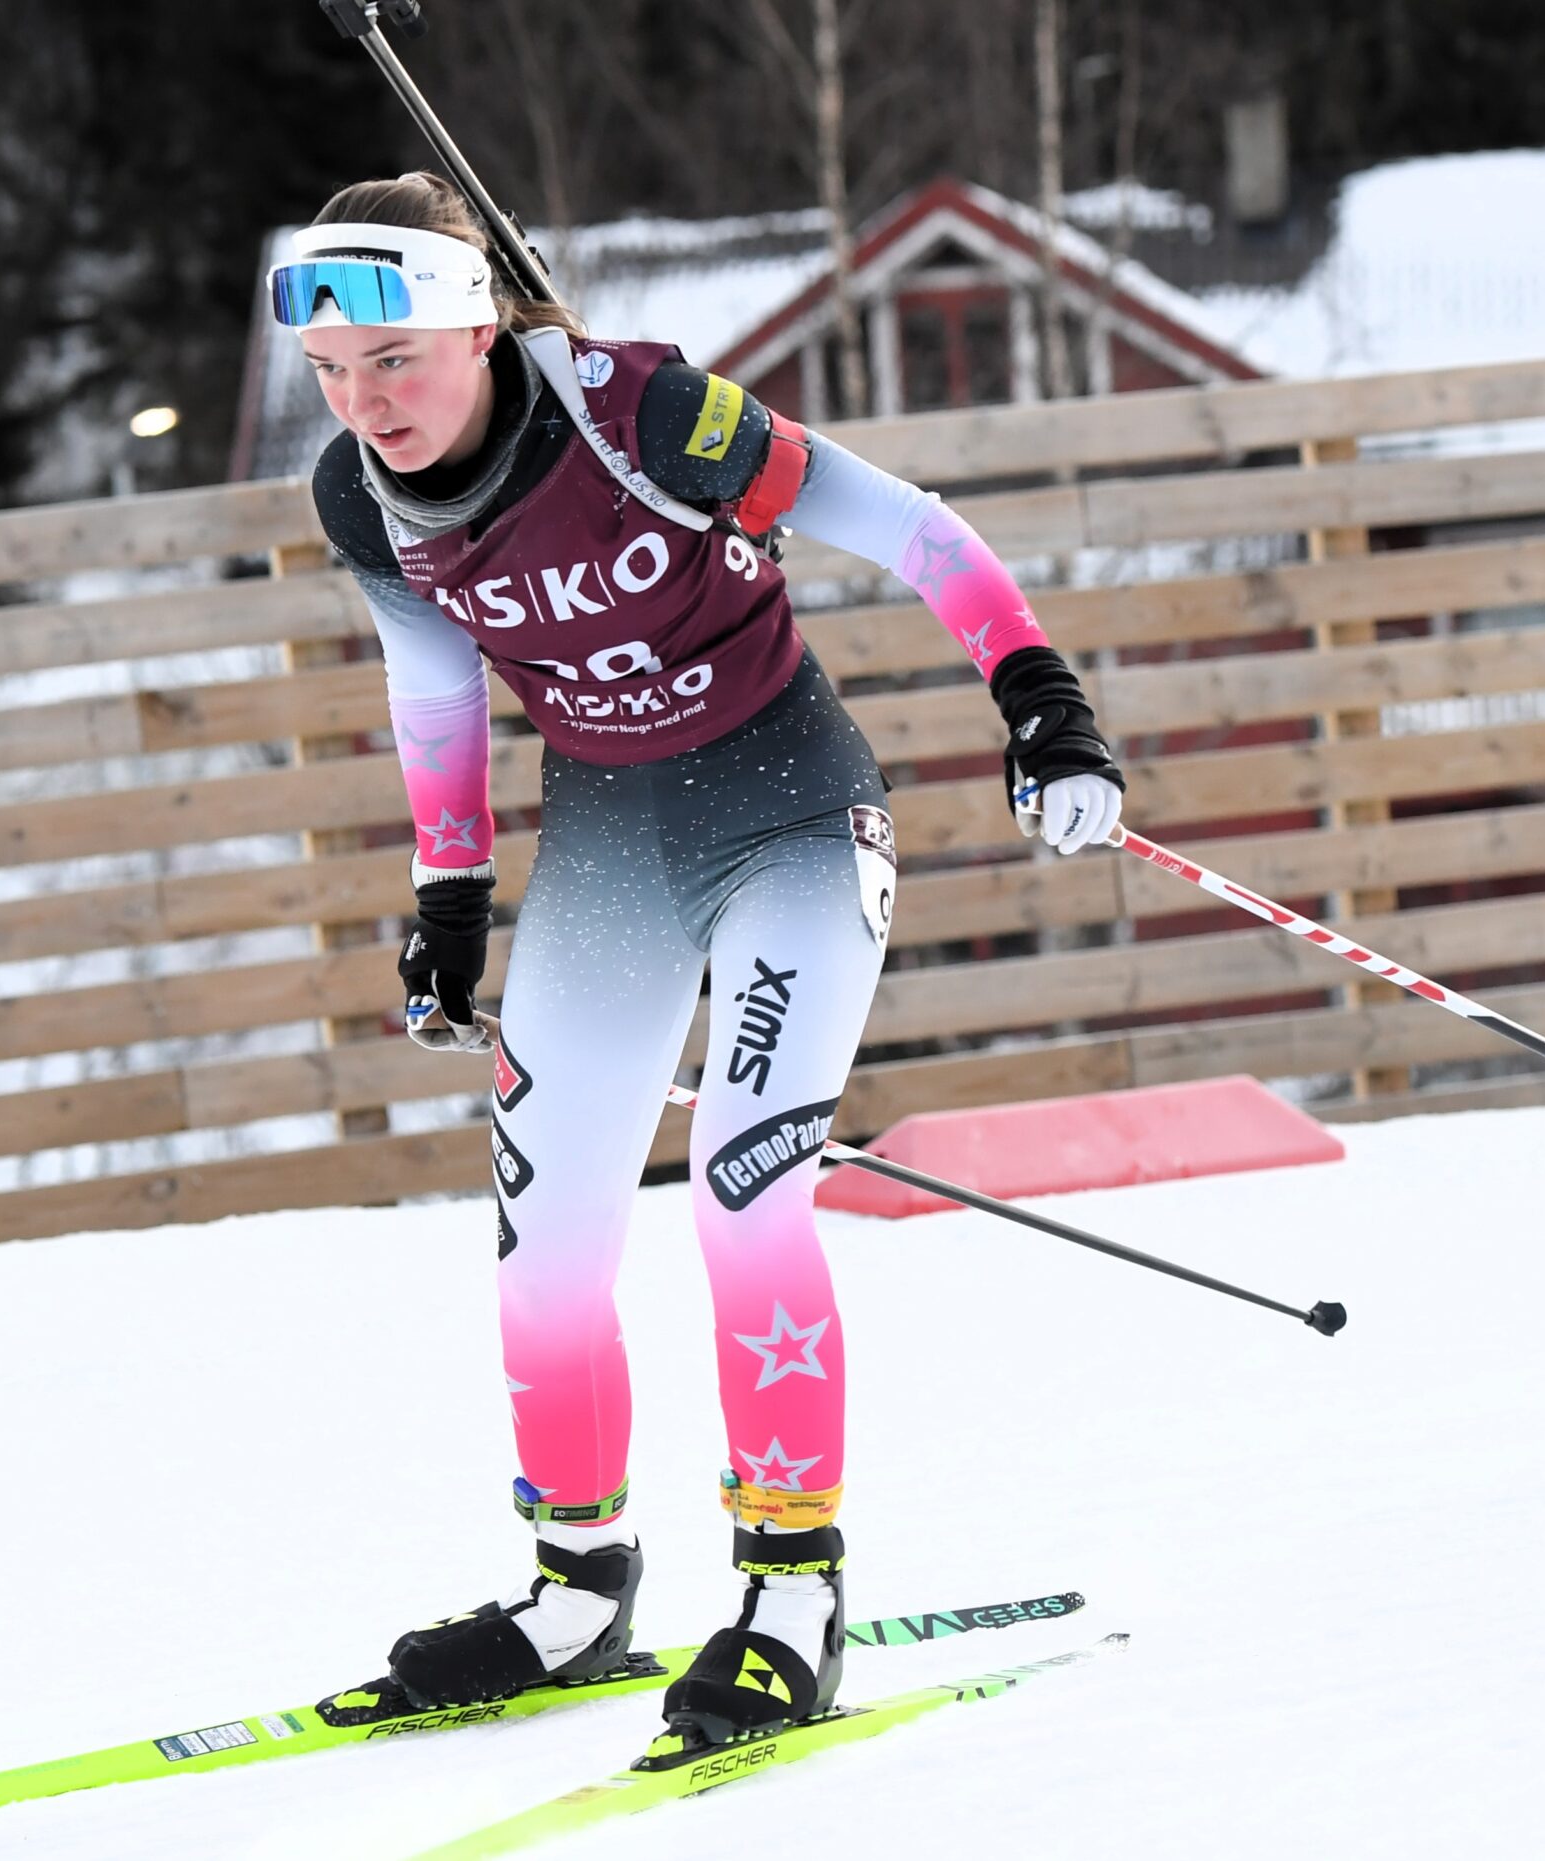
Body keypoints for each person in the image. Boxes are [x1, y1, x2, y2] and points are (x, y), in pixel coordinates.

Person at [275, 172, 1124, 1756]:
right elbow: (435, 689)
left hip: (789, 817)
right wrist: (450, 895)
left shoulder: (646, 416)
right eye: (331, 372)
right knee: (544, 1243)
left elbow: (909, 525)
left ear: (479, 324)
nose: (366, 403)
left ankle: (793, 1588)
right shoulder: (360, 498)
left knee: (744, 1193)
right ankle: (578, 1584)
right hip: (611, 847)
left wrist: (1042, 700)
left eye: (393, 359)